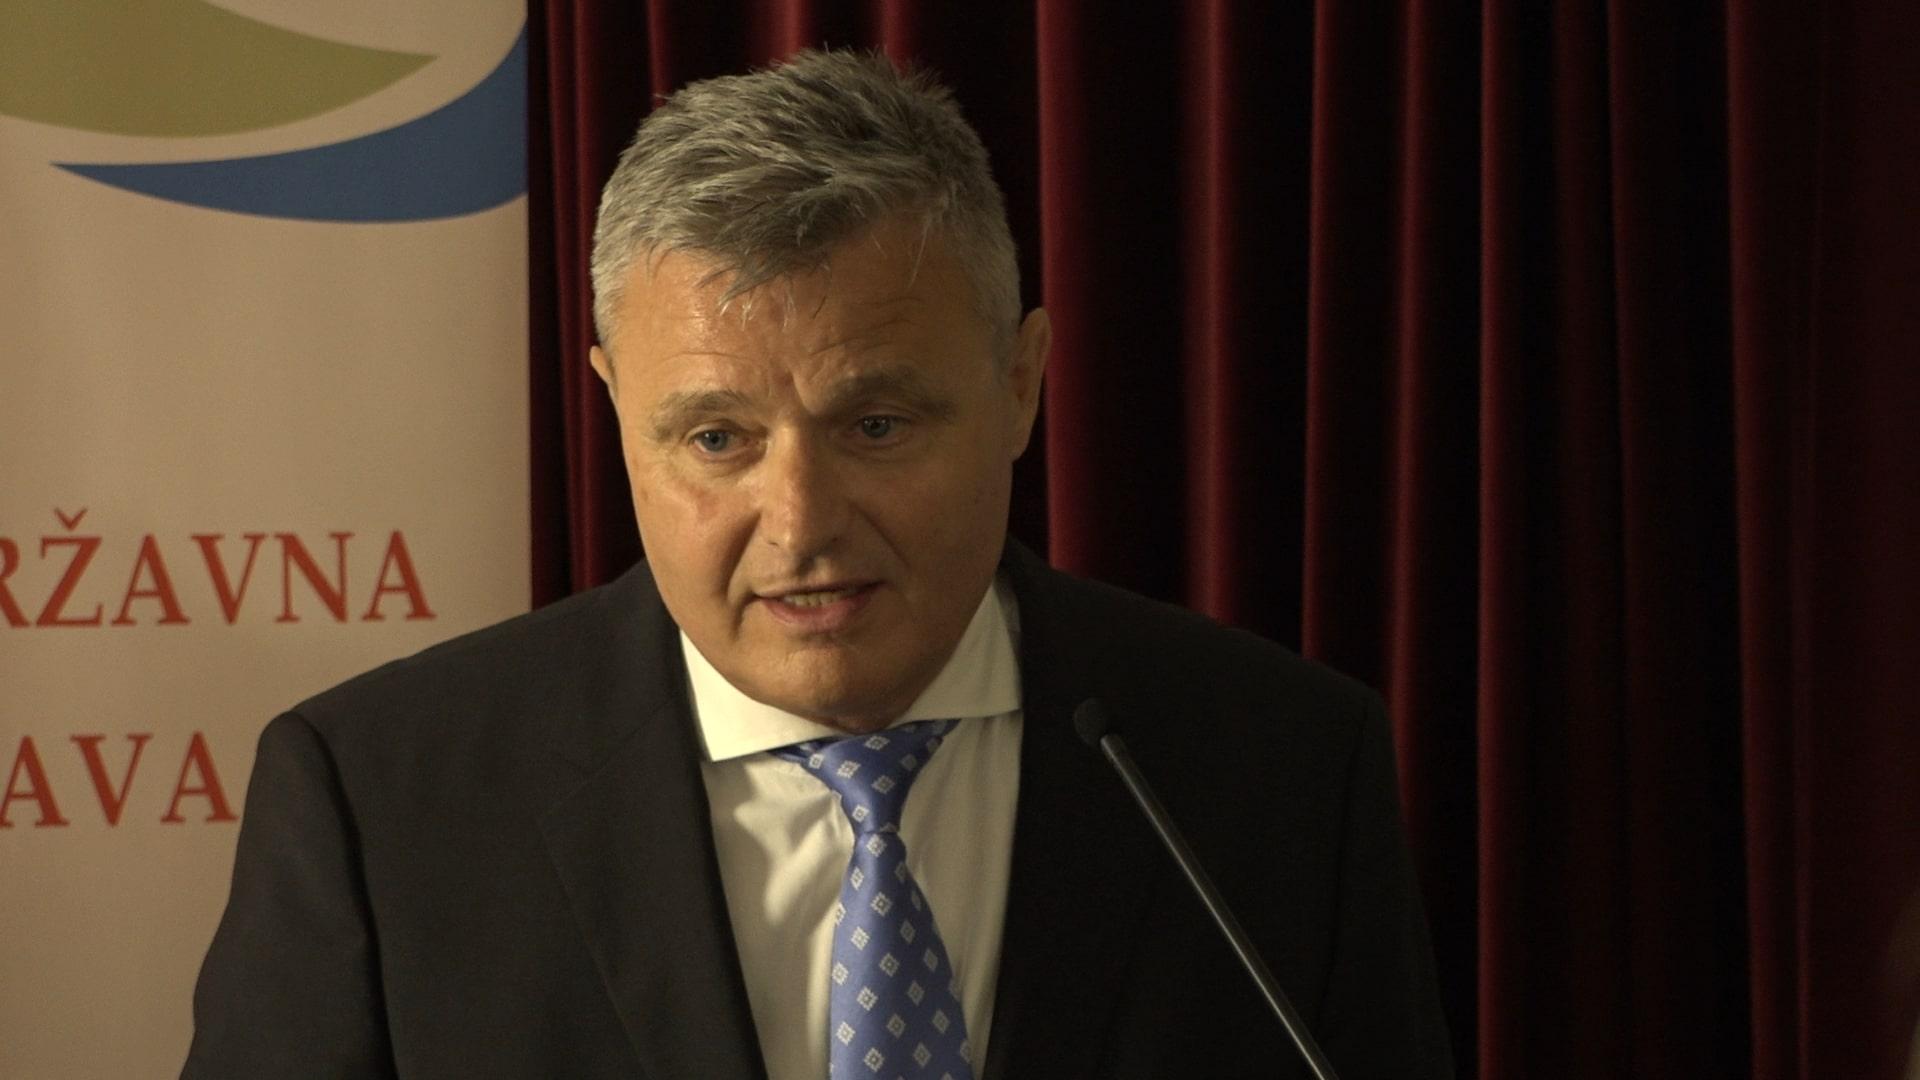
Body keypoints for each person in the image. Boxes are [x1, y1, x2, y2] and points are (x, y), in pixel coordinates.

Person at [182, 49, 1451, 1080]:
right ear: (616, 412)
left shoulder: (1280, 772)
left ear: (1020, 385)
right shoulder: (381, 804)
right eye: (716, 439)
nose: (798, 524)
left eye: (877, 426)